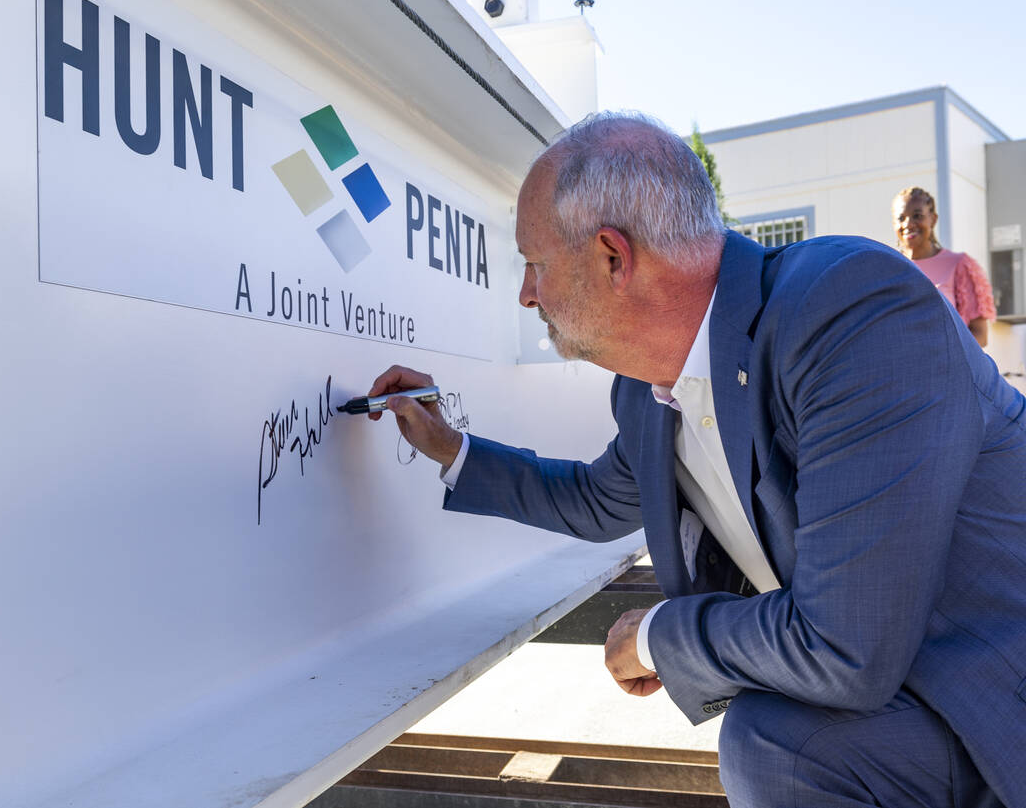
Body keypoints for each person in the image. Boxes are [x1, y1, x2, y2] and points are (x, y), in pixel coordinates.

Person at [366, 112, 1026, 807]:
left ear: (612, 258)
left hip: (993, 707)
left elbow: (845, 645)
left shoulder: (850, 311)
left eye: (533, 263)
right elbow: (594, 500)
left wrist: (655, 635)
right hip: (903, 705)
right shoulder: (647, 388)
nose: (526, 293)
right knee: (771, 737)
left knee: (764, 741)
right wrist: (448, 447)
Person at [892, 186, 996, 346]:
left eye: (917, 216)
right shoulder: (890, 268)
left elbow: (980, 335)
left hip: (946, 366)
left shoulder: (959, 264)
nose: (908, 224)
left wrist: (938, 349)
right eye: (901, 218)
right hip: (903, 367)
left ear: (933, 219)